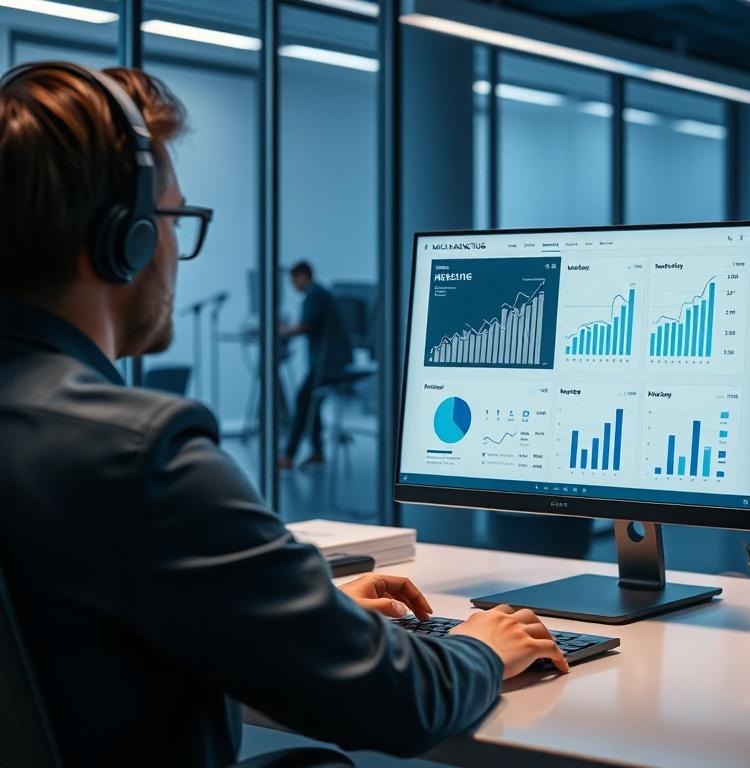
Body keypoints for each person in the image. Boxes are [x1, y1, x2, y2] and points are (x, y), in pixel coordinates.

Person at [0, 62, 567, 768]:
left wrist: (289, 611)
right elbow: (396, 703)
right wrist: (481, 647)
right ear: (129, 238)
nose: (178, 249)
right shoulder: (139, 456)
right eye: (175, 219)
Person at [278, 262, 350, 470]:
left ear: (303, 276)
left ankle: (289, 455)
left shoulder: (315, 296)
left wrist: (282, 331)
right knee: (312, 401)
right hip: (331, 360)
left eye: (293, 280)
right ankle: (317, 452)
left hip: (329, 364)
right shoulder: (319, 294)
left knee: (303, 399)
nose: (293, 285)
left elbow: (304, 327)